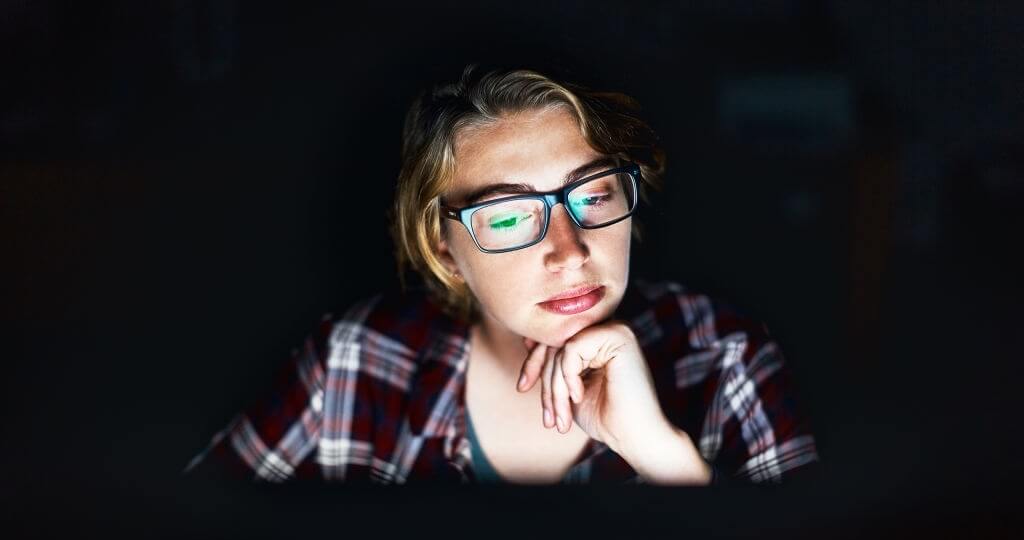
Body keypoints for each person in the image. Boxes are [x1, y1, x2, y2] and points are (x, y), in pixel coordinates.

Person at [184, 64, 821, 485]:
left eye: (593, 195)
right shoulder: (353, 363)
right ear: (444, 250)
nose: (570, 252)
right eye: (510, 216)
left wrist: (667, 459)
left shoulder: (725, 356)